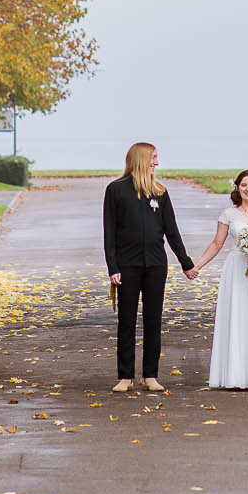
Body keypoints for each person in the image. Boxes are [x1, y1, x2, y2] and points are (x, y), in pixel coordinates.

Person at [103, 143, 196, 393]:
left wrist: (186, 263)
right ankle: (125, 376)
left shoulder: (160, 192)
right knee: (127, 320)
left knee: (153, 319)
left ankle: (150, 375)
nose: (157, 162)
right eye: (154, 158)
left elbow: (172, 231)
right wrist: (113, 267)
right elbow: (109, 233)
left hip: (155, 265)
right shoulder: (116, 190)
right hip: (127, 266)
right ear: (142, 159)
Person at [189, 169, 248, 391]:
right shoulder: (229, 214)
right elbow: (217, 243)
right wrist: (197, 266)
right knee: (238, 316)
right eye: (243, 185)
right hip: (237, 269)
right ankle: (235, 374)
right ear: (238, 188)